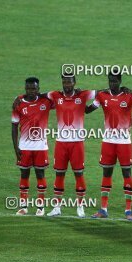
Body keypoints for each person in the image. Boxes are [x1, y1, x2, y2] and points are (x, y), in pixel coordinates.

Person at [86, 73, 132, 220]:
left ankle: (128, 211)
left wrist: (129, 122)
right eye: (110, 81)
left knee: (126, 174)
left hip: (124, 142)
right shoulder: (102, 95)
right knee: (106, 173)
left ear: (120, 81)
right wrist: (78, 98)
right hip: (108, 142)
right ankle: (103, 209)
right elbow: (88, 110)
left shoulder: (129, 95)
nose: (112, 84)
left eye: (115, 81)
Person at [46, 73, 95, 217]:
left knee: (78, 174)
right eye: (64, 82)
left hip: (77, 143)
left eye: (69, 82)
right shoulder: (55, 95)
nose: (66, 85)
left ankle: (80, 207)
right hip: (61, 143)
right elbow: (39, 95)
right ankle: (57, 207)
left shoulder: (83, 95)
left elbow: (104, 92)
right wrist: (19, 99)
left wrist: (123, 89)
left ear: (74, 83)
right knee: (59, 174)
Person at [11, 77, 53, 216]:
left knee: (40, 174)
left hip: (41, 147)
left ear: (38, 89)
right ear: (25, 89)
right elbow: (14, 126)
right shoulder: (18, 104)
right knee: (24, 174)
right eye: (28, 88)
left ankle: (40, 207)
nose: (31, 91)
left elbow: (60, 96)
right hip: (24, 147)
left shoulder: (45, 101)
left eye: (34, 88)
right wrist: (16, 147)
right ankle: (23, 206)